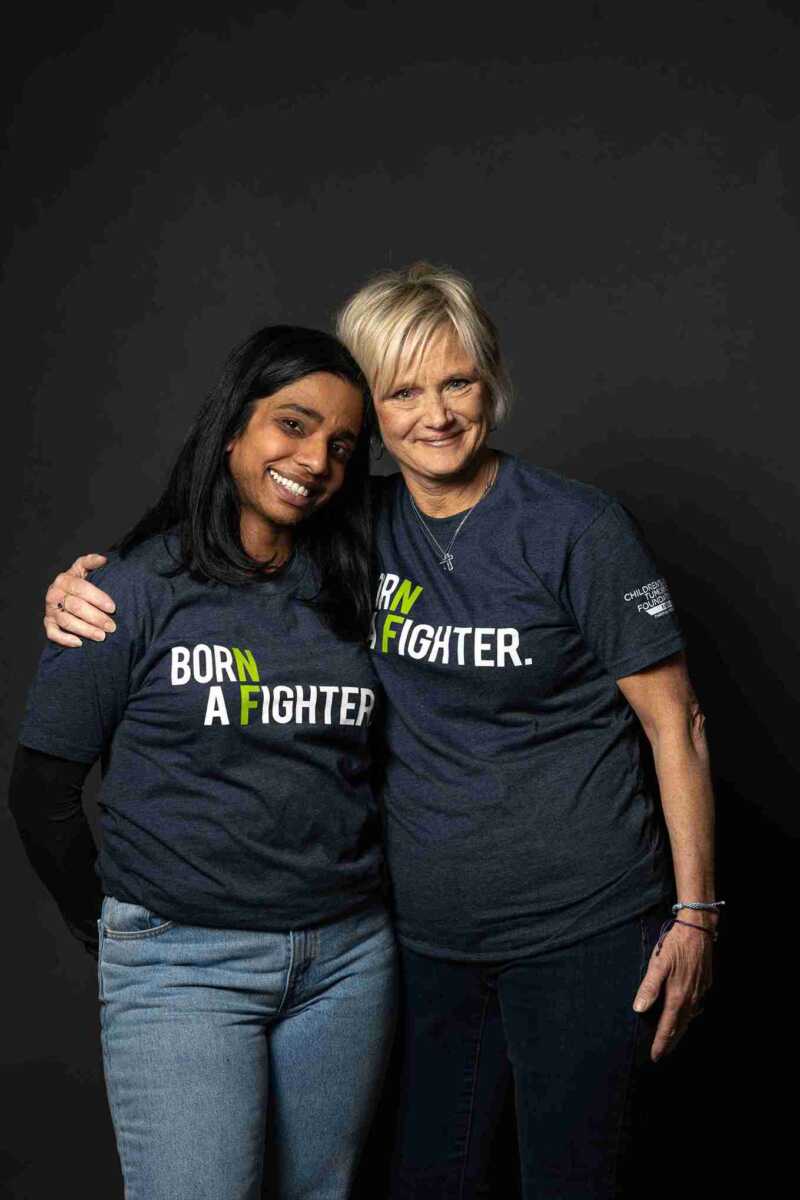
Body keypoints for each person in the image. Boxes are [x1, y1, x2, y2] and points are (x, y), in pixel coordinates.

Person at [41, 264, 720, 1200]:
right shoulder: (355, 523)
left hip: (580, 925)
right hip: (424, 938)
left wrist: (696, 911)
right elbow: (214, 540)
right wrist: (95, 582)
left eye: (458, 383)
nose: (435, 414)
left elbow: (675, 722)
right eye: (403, 391)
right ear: (373, 413)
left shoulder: (576, 528)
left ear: (491, 386)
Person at [10, 324, 397, 1200]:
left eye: (342, 444)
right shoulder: (128, 595)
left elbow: (457, 472)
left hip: (347, 962)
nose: (317, 459)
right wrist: (116, 928)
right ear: (233, 427)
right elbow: (40, 794)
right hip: (184, 964)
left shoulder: (359, 576)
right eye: (292, 425)